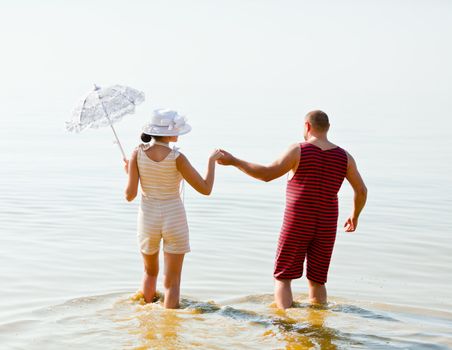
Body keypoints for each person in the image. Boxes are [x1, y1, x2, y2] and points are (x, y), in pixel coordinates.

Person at [217, 110, 367, 309]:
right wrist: (354, 216)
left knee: (283, 277)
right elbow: (361, 190)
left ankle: (285, 326)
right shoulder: (344, 157)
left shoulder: (299, 150)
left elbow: (267, 174)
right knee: (317, 280)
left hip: (298, 221)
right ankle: (318, 324)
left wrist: (234, 161)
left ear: (307, 126)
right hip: (327, 223)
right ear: (328, 128)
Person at [124, 109, 222, 308]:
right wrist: (211, 162)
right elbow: (205, 189)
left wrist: (130, 172)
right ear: (167, 133)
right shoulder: (177, 157)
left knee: (149, 273)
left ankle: (146, 320)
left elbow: (129, 195)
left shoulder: (137, 153)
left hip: (148, 219)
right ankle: (171, 326)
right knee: (172, 281)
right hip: (174, 218)